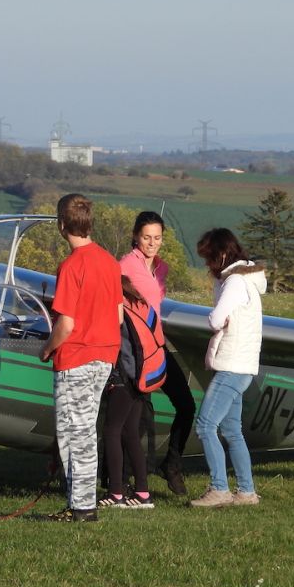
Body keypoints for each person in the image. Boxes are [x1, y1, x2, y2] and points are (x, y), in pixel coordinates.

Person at [40, 193, 123, 523]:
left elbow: (66, 324)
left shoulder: (72, 266)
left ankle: (82, 506)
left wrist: (48, 348)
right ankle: (82, 503)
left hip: (75, 357)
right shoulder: (109, 262)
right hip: (105, 356)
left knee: (73, 433)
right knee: (86, 428)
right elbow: (118, 315)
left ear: (61, 225)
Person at [119, 210, 195, 495]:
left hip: (157, 348)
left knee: (186, 405)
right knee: (136, 418)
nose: (152, 243)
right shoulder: (125, 265)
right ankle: (123, 481)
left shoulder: (161, 268)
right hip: (134, 350)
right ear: (136, 237)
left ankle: (172, 464)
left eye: (157, 238)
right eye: (147, 237)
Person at [190, 228, 266, 508]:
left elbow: (215, 319)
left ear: (222, 255)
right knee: (232, 429)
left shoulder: (234, 282)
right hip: (243, 365)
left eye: (209, 259)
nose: (208, 265)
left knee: (205, 425)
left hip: (232, 364)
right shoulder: (245, 280)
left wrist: (216, 317)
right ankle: (246, 492)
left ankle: (220, 488)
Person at [98, 277, 156, 510]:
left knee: (111, 431)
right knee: (130, 433)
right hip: (142, 377)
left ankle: (116, 493)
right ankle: (142, 493)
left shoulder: (117, 306)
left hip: (123, 378)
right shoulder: (140, 304)